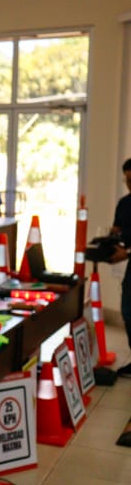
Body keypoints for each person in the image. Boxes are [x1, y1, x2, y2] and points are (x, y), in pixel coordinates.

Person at [109, 158, 131, 378]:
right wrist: (107, 244)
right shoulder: (124, 204)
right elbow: (115, 231)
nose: (129, 183)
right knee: (127, 310)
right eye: (126, 180)